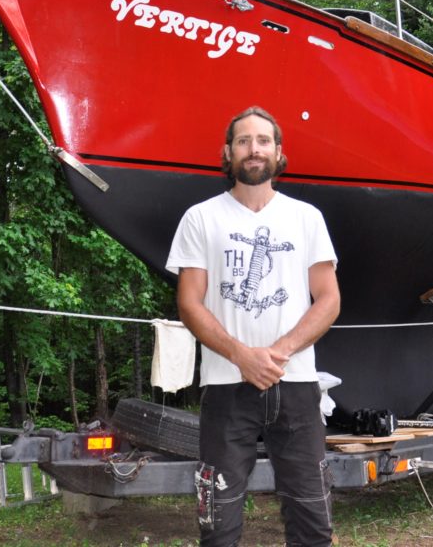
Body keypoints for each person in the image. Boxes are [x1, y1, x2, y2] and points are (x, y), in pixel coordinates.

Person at [166, 106, 341, 547]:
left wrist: (276, 353)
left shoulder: (306, 218)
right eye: (243, 141)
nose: (253, 149)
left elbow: (329, 299)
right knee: (218, 527)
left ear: (278, 153)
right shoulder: (201, 218)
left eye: (263, 140)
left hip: (297, 384)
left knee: (312, 522)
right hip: (227, 386)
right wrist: (243, 356)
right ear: (228, 152)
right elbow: (189, 303)